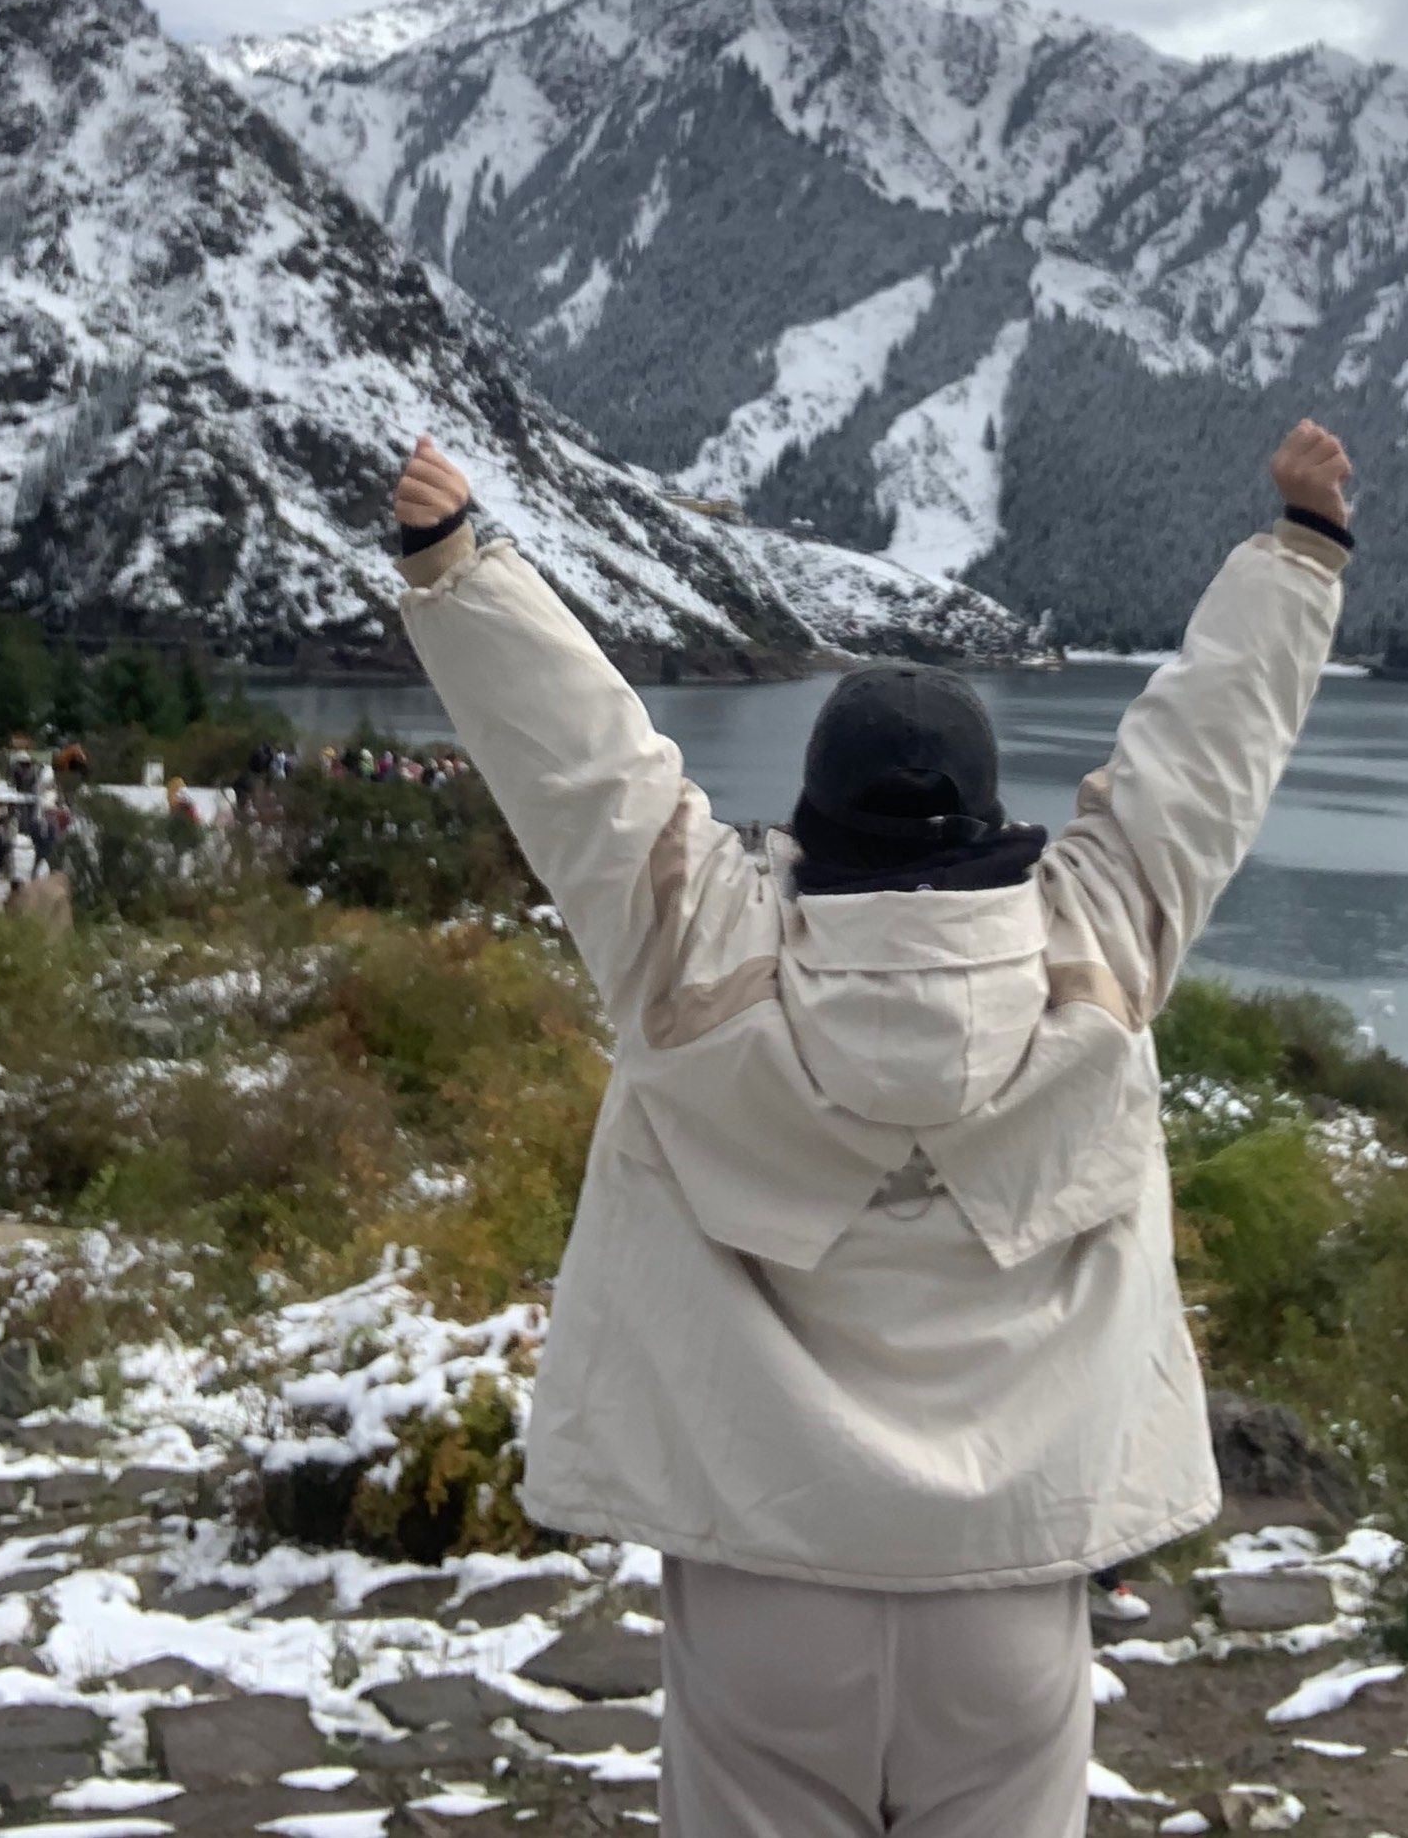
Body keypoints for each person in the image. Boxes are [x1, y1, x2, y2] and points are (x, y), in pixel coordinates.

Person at [390, 420, 1356, 1838]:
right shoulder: (1091, 952)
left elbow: (587, 771)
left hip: (762, 1575)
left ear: (815, 818)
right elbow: (1194, 772)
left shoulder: (704, 960)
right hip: (1013, 1591)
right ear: (989, 822)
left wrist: (457, 561)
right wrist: (1298, 555)